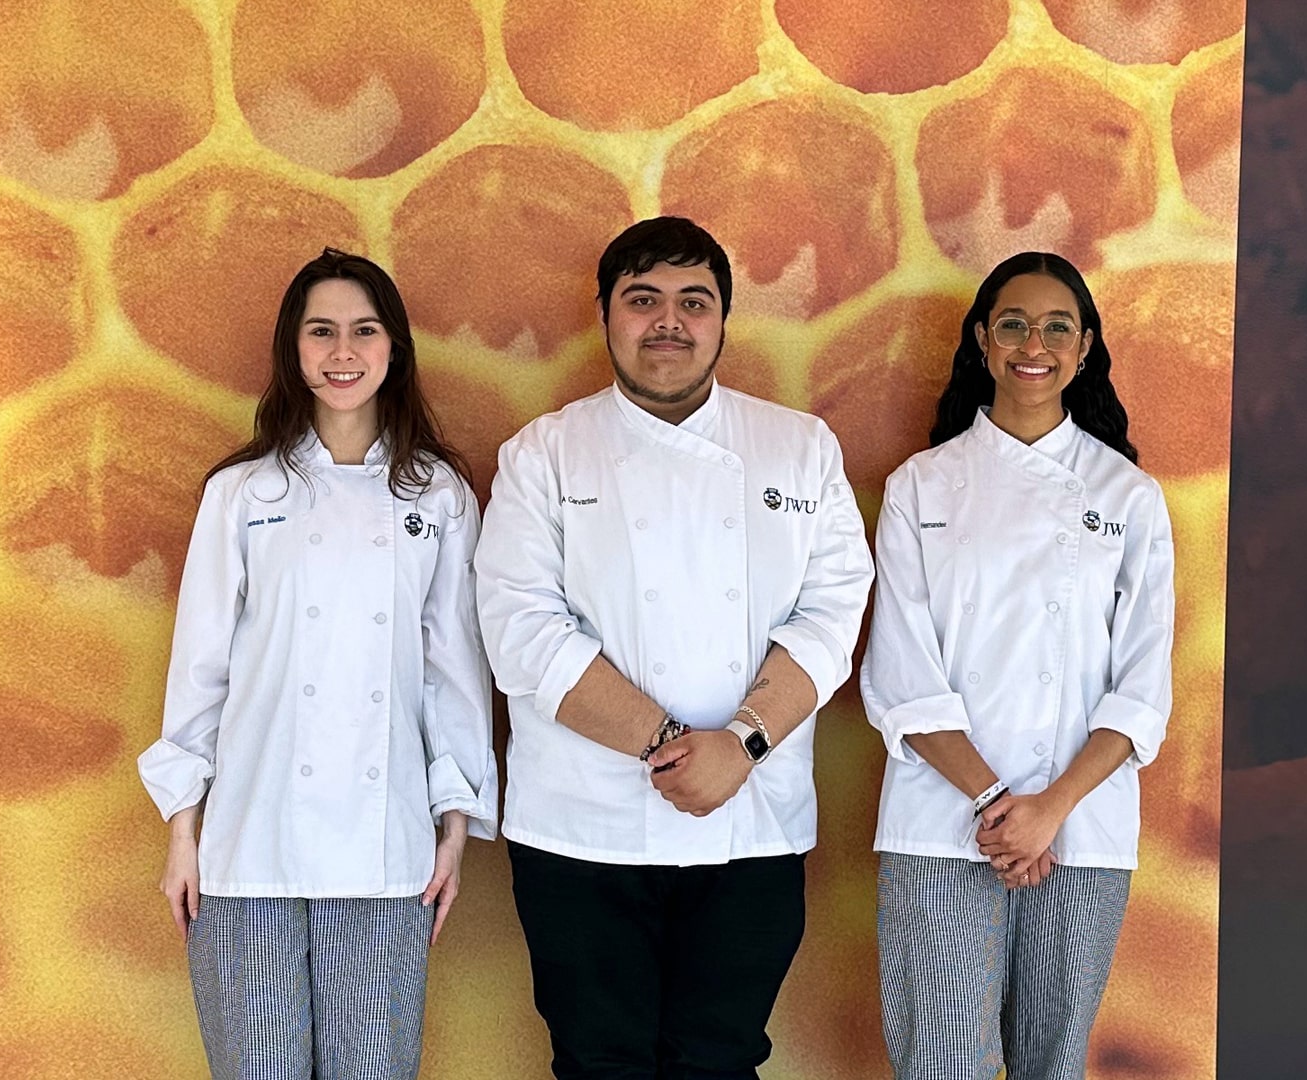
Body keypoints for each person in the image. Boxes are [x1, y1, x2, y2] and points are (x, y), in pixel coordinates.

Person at [475, 216, 874, 1080]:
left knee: (721, 1061)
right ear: (606, 316)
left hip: (752, 823)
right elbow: (520, 627)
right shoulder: (542, 454)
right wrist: (670, 745)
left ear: (723, 319)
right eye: (642, 299)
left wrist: (742, 744)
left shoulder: (799, 448)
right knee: (596, 1062)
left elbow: (835, 614)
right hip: (581, 827)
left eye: (694, 301)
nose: (669, 321)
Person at [137, 248, 497, 1080]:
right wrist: (183, 835)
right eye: (322, 331)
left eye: (364, 331)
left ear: (394, 348)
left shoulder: (437, 496)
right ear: (293, 351)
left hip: (387, 850)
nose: (344, 352)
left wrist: (453, 827)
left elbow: (454, 674)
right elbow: (200, 672)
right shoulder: (242, 493)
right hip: (245, 845)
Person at [861, 251, 1175, 1080]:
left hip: (1084, 827)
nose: (1033, 343)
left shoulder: (1128, 496)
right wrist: (1003, 804)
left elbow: (1141, 689)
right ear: (982, 340)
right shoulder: (920, 487)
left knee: (1053, 1064)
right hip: (942, 822)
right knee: (941, 1065)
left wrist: (1051, 808)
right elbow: (901, 674)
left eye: (1057, 327)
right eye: (1012, 323)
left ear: (1084, 348)